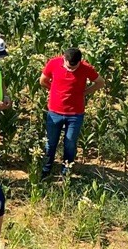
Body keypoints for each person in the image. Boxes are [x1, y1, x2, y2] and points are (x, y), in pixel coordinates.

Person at [39, 48, 105, 177]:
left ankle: (66, 170)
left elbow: (100, 82)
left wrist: (84, 92)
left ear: (80, 61)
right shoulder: (53, 63)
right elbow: (43, 80)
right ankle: (46, 169)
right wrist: (53, 90)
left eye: (75, 67)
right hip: (55, 111)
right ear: (64, 58)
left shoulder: (86, 68)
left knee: (70, 143)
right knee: (50, 142)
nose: (71, 69)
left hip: (75, 113)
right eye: (69, 66)